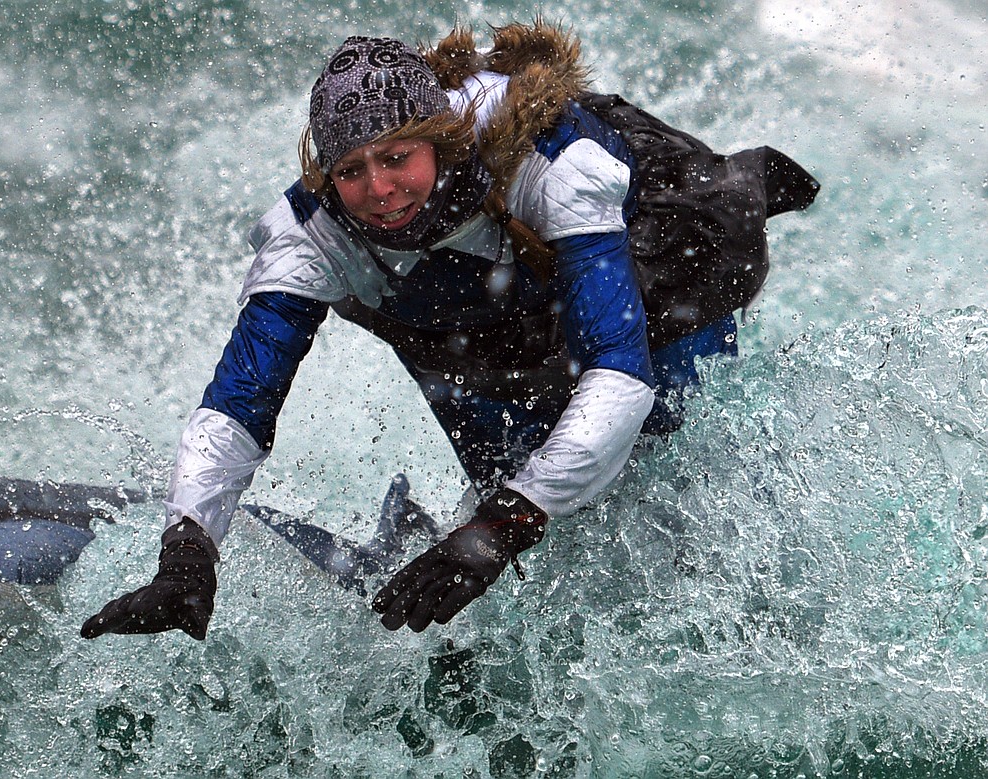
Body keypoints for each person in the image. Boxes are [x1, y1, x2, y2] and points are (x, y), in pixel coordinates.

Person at [81, 21, 818, 640]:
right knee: (516, 490)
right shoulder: (309, 236)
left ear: (437, 140)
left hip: (655, 267)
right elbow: (239, 400)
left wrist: (499, 529)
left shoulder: (551, 163)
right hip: (477, 327)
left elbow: (619, 376)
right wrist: (186, 552)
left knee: (661, 472)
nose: (379, 191)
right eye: (352, 171)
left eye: (397, 158)